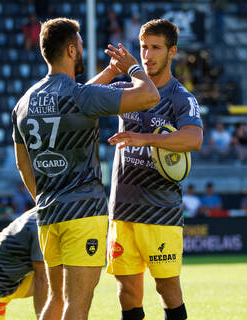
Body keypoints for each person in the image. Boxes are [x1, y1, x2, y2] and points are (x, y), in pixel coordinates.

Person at [11, 17, 159, 320]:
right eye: (80, 46)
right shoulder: (81, 96)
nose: (82, 50)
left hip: (48, 214)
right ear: (69, 50)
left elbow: (23, 164)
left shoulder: (24, 102)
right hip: (84, 212)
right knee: (77, 306)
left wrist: (43, 198)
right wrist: (132, 68)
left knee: (54, 301)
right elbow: (149, 95)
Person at [91, 19, 203, 320]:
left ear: (172, 52)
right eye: (143, 47)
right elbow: (79, 99)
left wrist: (145, 138)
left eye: (156, 48)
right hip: (122, 212)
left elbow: (194, 138)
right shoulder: (128, 89)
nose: (147, 55)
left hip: (160, 213)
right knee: (126, 293)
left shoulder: (181, 97)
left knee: (167, 290)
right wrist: (112, 71)